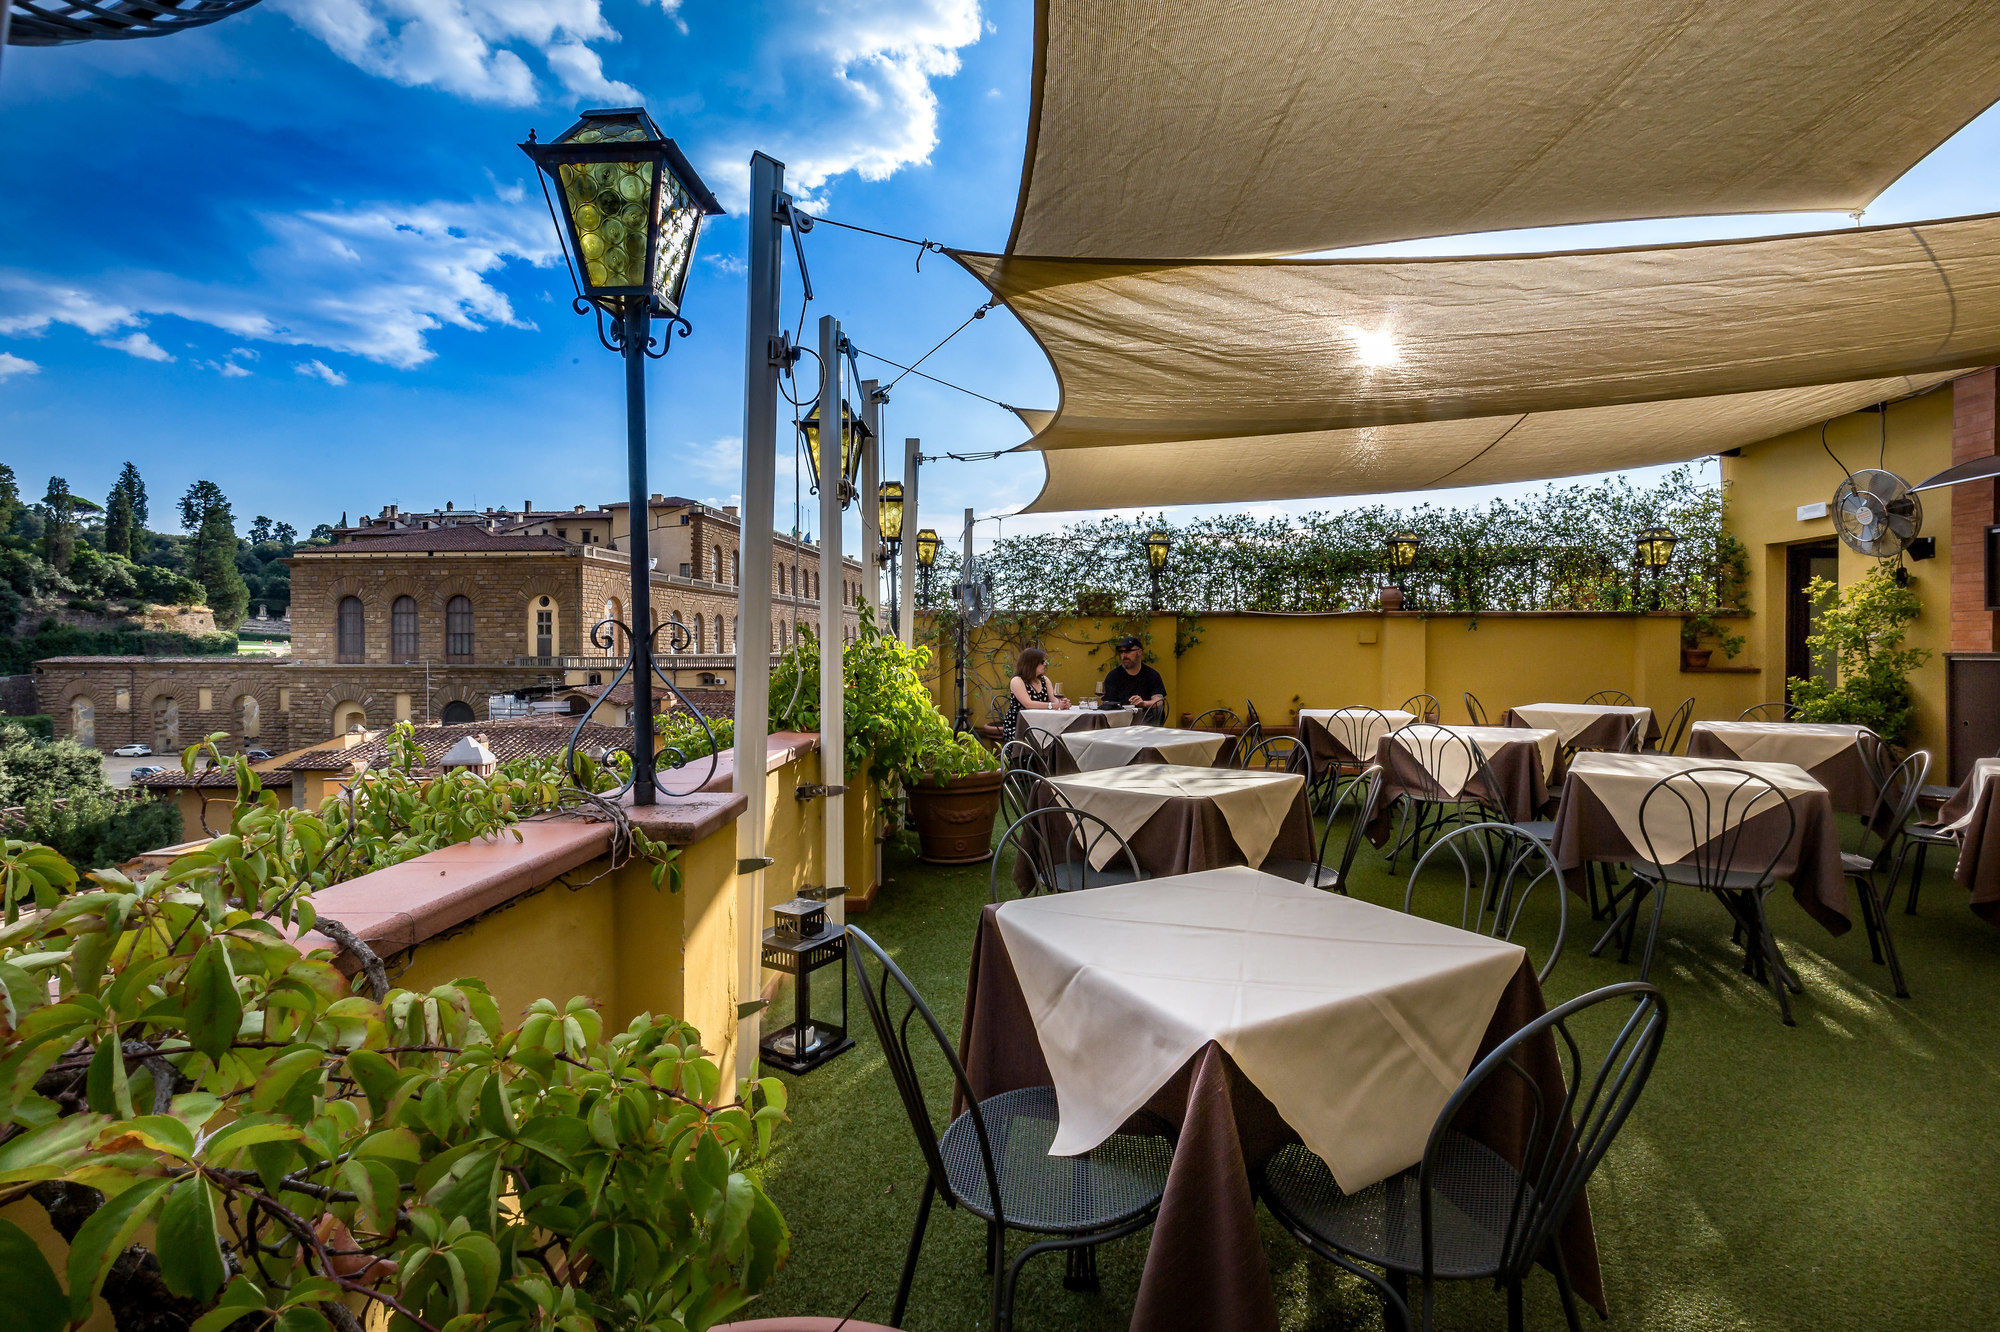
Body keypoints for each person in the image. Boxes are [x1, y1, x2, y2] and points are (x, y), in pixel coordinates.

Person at [1003, 646, 1069, 743]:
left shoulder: (1044, 680)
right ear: (1031, 663)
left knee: (1061, 738)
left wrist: (1062, 703)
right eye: (1042, 662)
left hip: (1041, 725)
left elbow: (1054, 699)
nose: (1045, 664)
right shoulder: (1017, 681)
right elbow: (1028, 704)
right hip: (1020, 727)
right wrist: (1053, 705)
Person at [1102, 636, 1166, 724]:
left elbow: (1159, 702)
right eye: (1121, 652)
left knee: (1156, 710)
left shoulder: (1152, 675)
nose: (1124, 656)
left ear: (1139, 652)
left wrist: (1143, 703)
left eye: (1128, 651)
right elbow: (1107, 703)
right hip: (1120, 722)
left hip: (1146, 722)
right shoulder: (1113, 676)